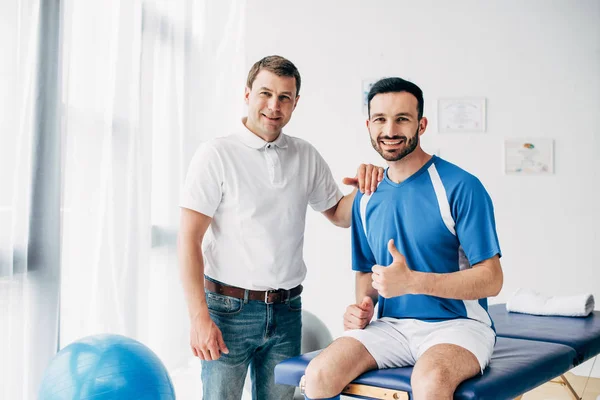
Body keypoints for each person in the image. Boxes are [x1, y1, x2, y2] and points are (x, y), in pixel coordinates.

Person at [178, 55, 383, 400]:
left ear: (295, 103)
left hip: (287, 311)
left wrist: (365, 186)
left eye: (285, 97)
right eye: (265, 94)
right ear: (247, 94)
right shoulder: (216, 154)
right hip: (229, 311)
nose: (274, 106)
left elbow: (339, 214)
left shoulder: (305, 155)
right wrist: (199, 318)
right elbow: (188, 241)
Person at [302, 77, 503, 400]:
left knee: (430, 381)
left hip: (458, 326)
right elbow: (367, 273)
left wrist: (413, 282)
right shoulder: (365, 198)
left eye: (402, 119)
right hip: (391, 327)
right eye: (380, 119)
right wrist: (363, 307)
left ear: (421, 125)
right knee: (318, 376)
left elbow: (491, 279)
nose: (390, 130)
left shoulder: (460, 186)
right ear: (368, 125)